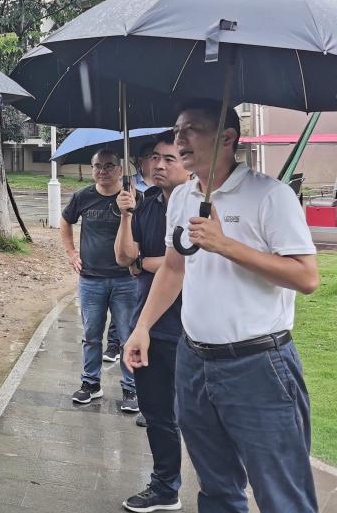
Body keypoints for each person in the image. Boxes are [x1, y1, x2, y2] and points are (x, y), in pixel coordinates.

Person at [124, 100, 320, 512]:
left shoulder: (270, 195)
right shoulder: (182, 197)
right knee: (216, 488)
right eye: (177, 130)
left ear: (227, 138)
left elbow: (306, 278)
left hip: (259, 365)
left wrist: (225, 244)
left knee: (281, 494)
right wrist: (142, 327)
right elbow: (174, 268)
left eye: (191, 129)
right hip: (194, 360)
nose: (179, 139)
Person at [114, 137, 189, 512]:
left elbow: (189, 263)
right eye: (154, 158)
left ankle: (225, 491)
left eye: (169, 158)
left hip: (192, 328)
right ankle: (165, 486)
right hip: (149, 324)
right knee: (157, 413)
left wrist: (145, 262)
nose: (159, 165)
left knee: (200, 418)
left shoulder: (200, 204)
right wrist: (126, 215)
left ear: (187, 162)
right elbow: (123, 257)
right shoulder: (146, 205)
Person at [61, 149, 138, 412]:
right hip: (91, 280)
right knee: (91, 335)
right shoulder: (82, 197)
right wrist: (71, 253)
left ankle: (131, 388)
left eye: (109, 165)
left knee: (128, 336)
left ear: (120, 170)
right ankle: (91, 384)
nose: (102, 171)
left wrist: (130, 209)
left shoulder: (131, 198)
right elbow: (65, 221)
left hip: (126, 280)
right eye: (97, 166)